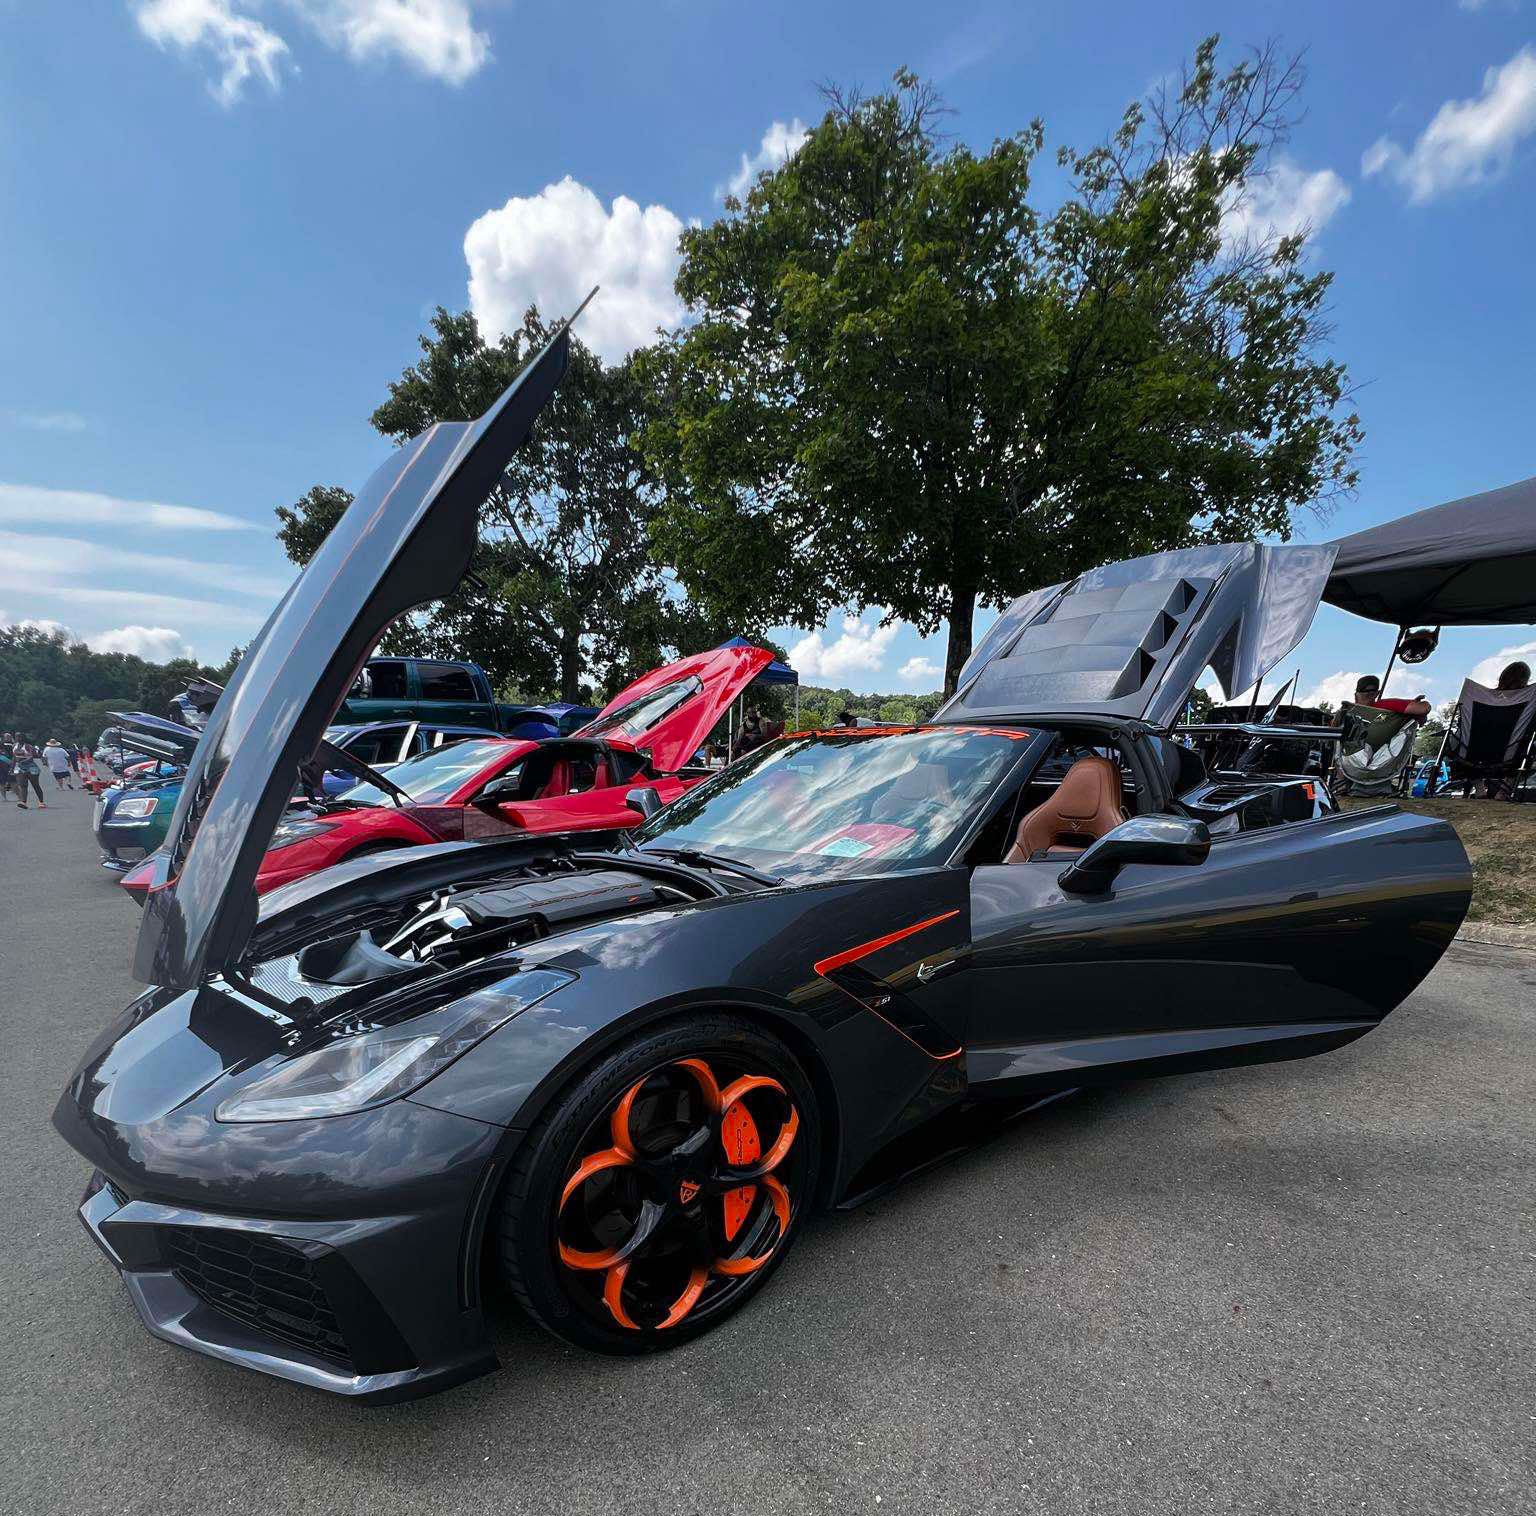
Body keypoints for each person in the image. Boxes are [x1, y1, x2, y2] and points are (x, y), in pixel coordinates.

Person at [1352, 675, 1431, 720]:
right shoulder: (1349, 712)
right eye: (1364, 692)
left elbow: (1424, 708)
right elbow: (1424, 708)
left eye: (1370, 693)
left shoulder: (1384, 706)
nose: (1367, 695)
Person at [12, 738, 47, 807]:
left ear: (23, 738)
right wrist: (12, 768)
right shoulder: (14, 746)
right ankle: (23, 802)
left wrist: (23, 760)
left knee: (35, 785)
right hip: (20, 768)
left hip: (31, 767)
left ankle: (41, 802)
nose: (17, 738)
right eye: (16, 736)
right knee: (23, 785)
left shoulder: (28, 746)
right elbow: (14, 757)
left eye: (19, 736)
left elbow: (33, 756)